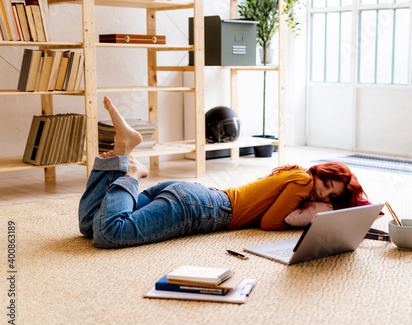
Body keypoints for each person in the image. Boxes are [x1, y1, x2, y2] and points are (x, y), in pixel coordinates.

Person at [78, 97, 370, 249]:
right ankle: (130, 171)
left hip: (192, 196)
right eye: (327, 184)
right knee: (111, 234)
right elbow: (269, 223)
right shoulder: (303, 181)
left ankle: (118, 155)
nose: (323, 193)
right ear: (319, 172)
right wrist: (315, 213)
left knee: (91, 225)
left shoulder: (292, 172)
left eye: (331, 195)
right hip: (200, 209)